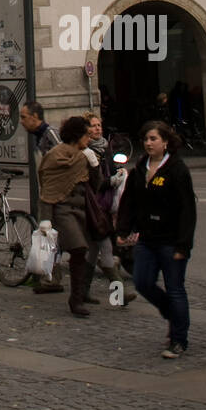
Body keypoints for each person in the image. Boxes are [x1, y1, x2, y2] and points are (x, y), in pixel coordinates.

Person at [117, 121, 196, 359]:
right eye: (146, 139)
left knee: (175, 289)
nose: (148, 143)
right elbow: (129, 200)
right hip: (147, 239)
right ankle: (170, 312)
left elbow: (187, 209)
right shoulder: (141, 167)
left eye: (153, 139)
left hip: (171, 240)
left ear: (165, 142)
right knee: (142, 282)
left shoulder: (177, 169)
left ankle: (178, 339)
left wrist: (184, 244)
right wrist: (123, 229)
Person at [38, 116, 100, 317]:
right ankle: (76, 299)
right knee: (79, 248)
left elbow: (97, 185)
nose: (88, 140)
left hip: (81, 211)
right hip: (63, 211)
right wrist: (45, 219)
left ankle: (79, 295)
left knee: (82, 252)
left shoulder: (84, 157)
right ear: (77, 136)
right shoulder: (55, 156)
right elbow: (48, 188)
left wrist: (94, 165)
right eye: (86, 136)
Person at [83, 112, 136, 303]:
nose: (98, 128)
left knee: (93, 252)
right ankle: (118, 296)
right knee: (104, 248)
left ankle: (82, 293)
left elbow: (111, 170)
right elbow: (93, 183)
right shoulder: (85, 152)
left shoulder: (105, 147)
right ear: (85, 130)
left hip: (103, 206)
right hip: (93, 206)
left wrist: (118, 174)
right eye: (93, 125)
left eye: (99, 125)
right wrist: (111, 181)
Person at [21, 102, 64, 294]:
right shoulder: (38, 136)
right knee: (51, 235)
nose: (21, 121)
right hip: (49, 192)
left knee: (52, 234)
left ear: (35, 117)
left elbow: (64, 157)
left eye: (24, 117)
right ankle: (51, 278)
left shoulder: (50, 134)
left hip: (56, 194)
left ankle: (54, 279)